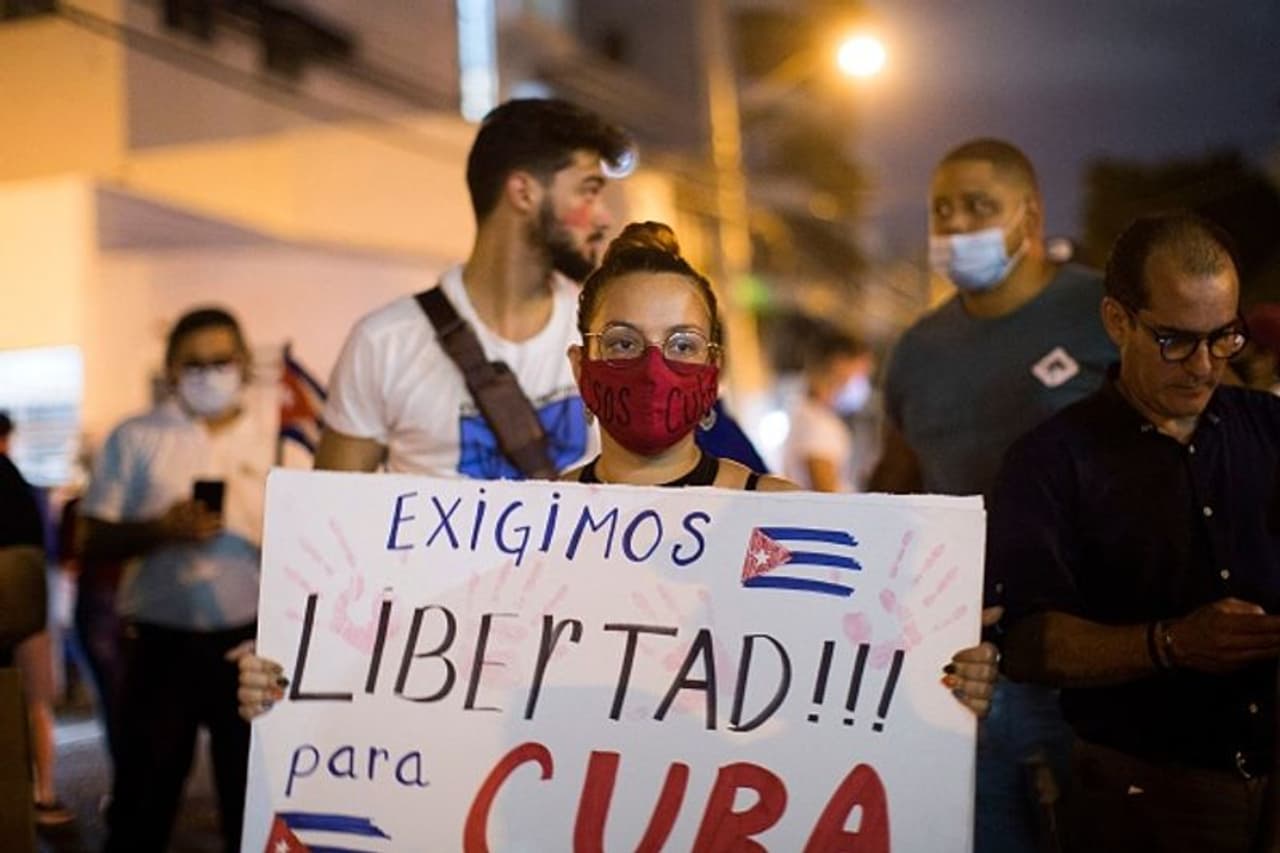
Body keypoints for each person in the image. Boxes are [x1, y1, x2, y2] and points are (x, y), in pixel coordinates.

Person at [239, 223, 1000, 723]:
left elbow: (860, 676)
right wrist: (294, 675)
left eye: (682, 344)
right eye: (625, 344)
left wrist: (947, 676)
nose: (654, 367)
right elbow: (420, 669)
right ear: (582, 367)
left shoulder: (784, 516)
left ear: (712, 371)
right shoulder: (528, 527)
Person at [993, 213, 1280, 853]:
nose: (1203, 366)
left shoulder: (1269, 429)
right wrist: (1169, 644)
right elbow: (1027, 645)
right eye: (1175, 340)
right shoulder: (1051, 461)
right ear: (1117, 321)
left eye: (1224, 338)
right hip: (1140, 799)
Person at [869, 138, 1118, 853]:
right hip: (962, 667)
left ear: (1029, 216)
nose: (955, 224)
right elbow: (894, 483)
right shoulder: (917, 350)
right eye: (941, 210)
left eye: (979, 206)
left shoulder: (1102, 313)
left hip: (1087, 657)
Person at [316, 98, 630, 477]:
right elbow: (331, 508)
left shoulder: (607, 335)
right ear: (524, 193)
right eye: (589, 190)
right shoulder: (384, 343)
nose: (604, 217)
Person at [80, 307, 276, 852]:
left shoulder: (278, 442)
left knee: (252, 799)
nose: (209, 374)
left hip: (251, 645)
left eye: (221, 361)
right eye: (194, 364)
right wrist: (160, 529)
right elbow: (90, 537)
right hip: (159, 644)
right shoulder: (136, 437)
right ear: (170, 371)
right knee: (143, 798)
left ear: (244, 363)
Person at [781, 328, 873, 492]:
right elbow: (825, 493)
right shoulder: (817, 424)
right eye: (861, 373)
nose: (863, 383)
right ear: (840, 364)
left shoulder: (806, 412)